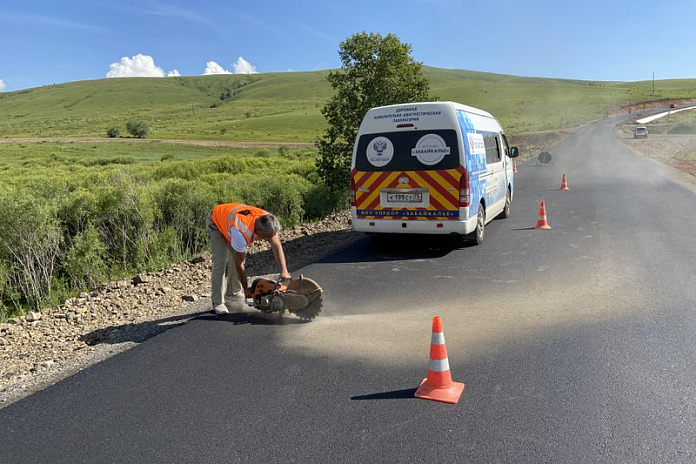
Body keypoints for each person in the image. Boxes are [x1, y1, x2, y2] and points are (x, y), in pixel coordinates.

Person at [206, 202, 291, 314]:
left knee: (235, 257)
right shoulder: (240, 233)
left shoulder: (268, 222)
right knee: (221, 260)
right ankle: (217, 302)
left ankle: (233, 297)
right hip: (216, 221)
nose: (270, 238)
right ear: (259, 231)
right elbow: (239, 264)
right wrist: (246, 289)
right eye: (268, 237)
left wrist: (284, 270)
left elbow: (277, 246)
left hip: (230, 219)